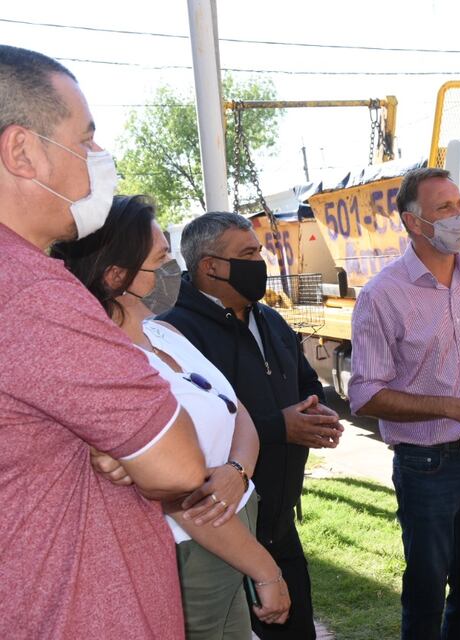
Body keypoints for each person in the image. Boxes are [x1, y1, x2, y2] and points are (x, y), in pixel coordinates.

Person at [0, 46, 207, 638]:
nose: (98, 158)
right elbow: (179, 464)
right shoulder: (33, 292)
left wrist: (103, 446)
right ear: (23, 151)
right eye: (86, 139)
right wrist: (129, 454)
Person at [54, 195, 292, 638]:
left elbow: (234, 409)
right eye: (162, 259)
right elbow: (180, 495)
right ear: (116, 275)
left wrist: (237, 472)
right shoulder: (109, 361)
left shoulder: (163, 330)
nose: (173, 272)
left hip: (235, 521)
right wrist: (266, 571)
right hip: (194, 549)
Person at [348, 167, 460, 639]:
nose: (458, 218)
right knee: (427, 591)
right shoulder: (382, 294)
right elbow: (365, 395)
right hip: (427, 466)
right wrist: (452, 407)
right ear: (413, 223)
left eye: (459, 205)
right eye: (444, 209)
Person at [160, 211, 343, 640]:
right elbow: (189, 431)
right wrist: (280, 427)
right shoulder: (174, 334)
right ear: (210, 266)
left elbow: (303, 382)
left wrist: (317, 413)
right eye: (248, 253)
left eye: (259, 251)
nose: (260, 262)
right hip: (224, 534)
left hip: (280, 522)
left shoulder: (269, 319)